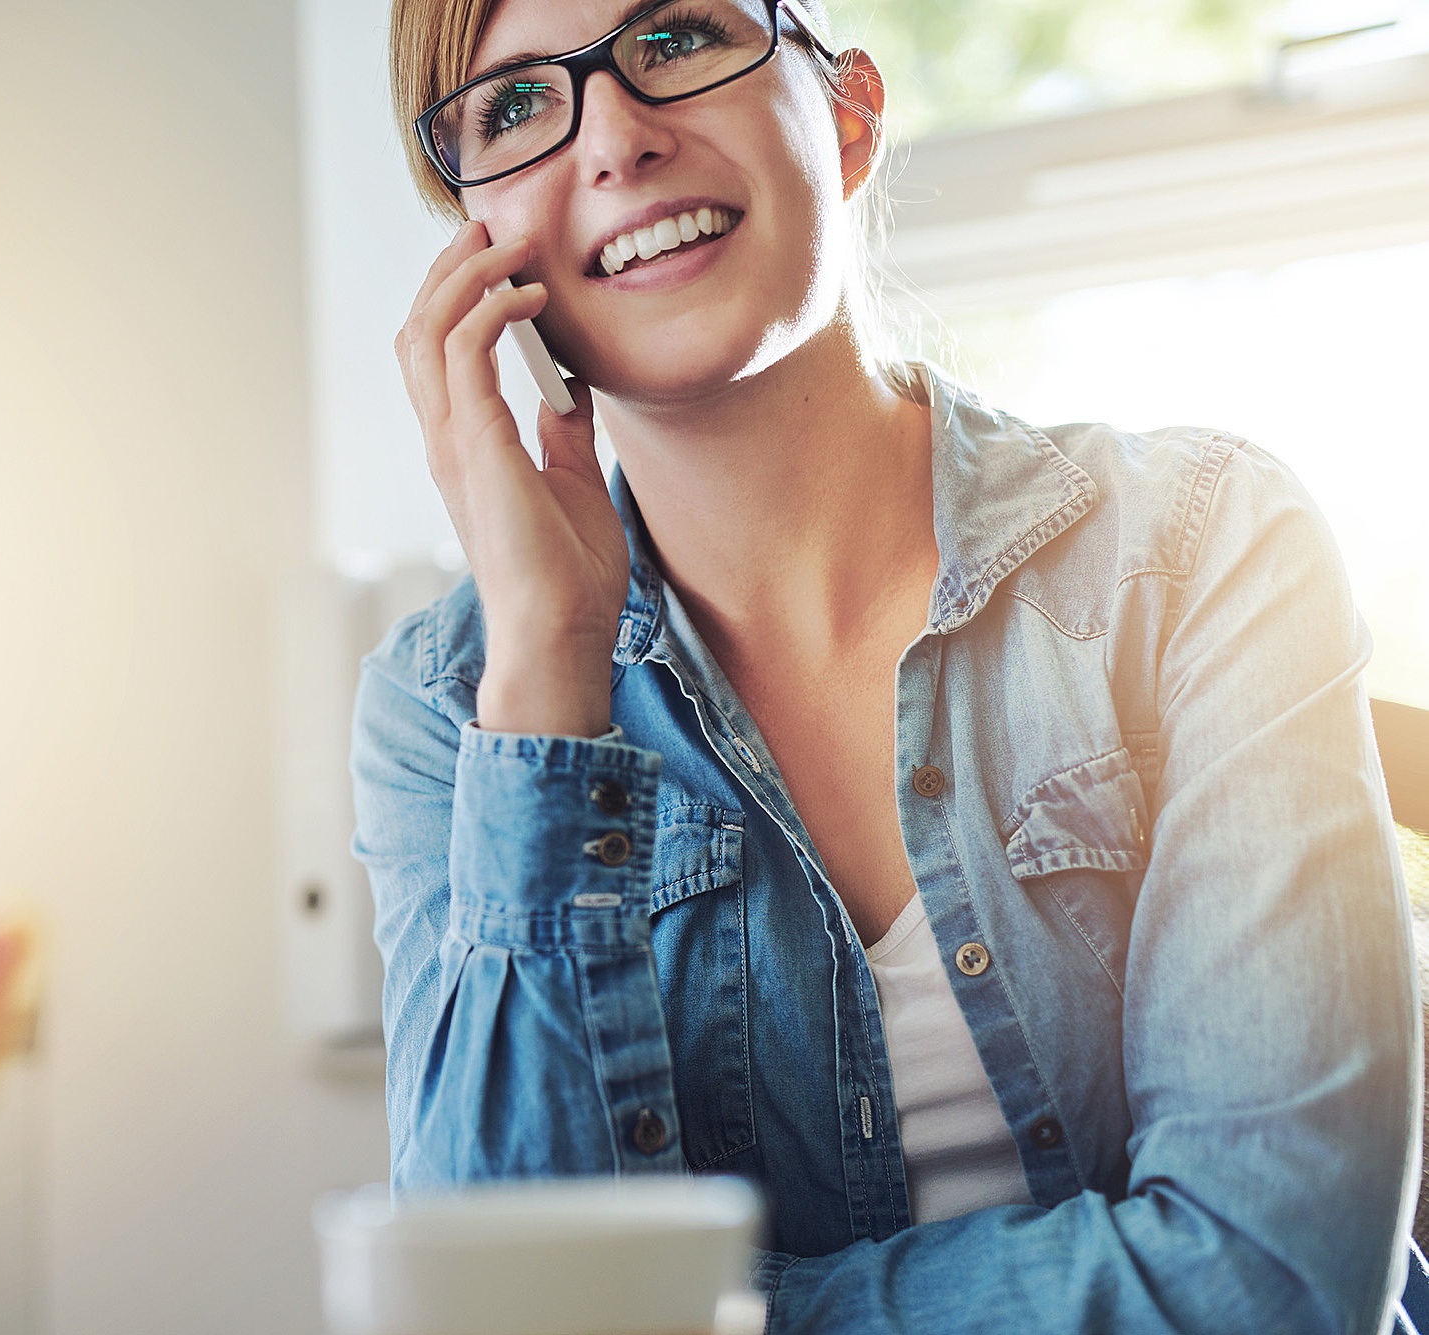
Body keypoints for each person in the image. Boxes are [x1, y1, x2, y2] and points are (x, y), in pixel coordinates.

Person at [348, 0, 1423, 1328]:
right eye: (512, 106)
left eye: (675, 37)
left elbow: (1273, 1283)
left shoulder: (1203, 547)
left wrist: (700, 1315)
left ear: (849, 114)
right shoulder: (451, 707)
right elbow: (499, 1311)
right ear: (476, 249)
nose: (616, 138)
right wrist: (549, 677)